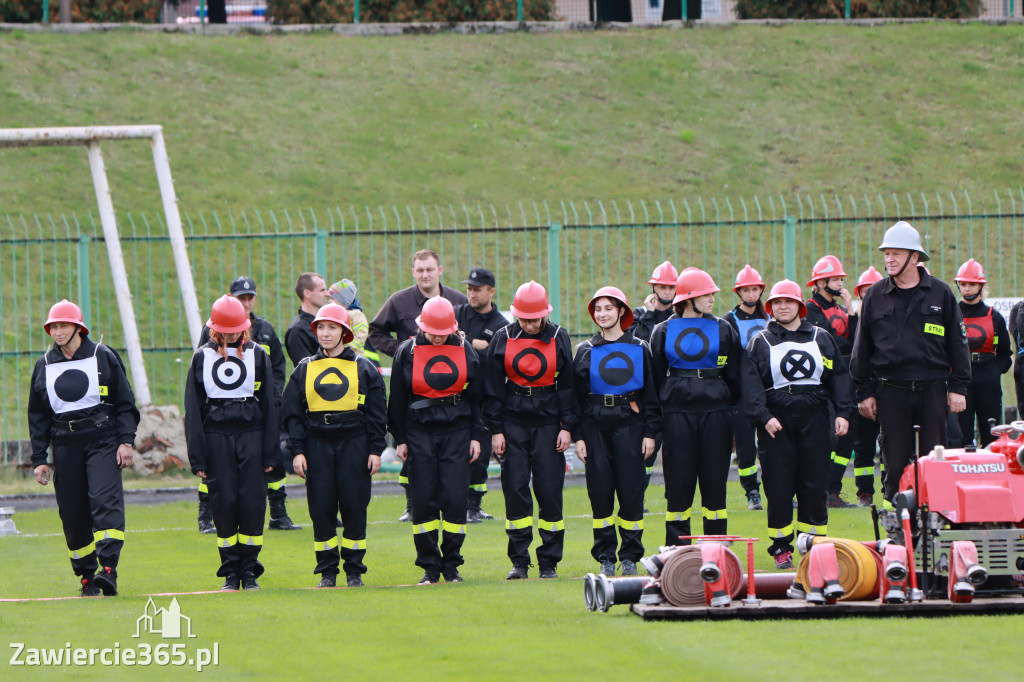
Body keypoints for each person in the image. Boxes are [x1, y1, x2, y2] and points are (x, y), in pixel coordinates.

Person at [850, 221, 971, 502]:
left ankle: (935, 527)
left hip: (932, 390)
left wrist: (959, 387)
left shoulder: (941, 293)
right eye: (886, 254)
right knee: (894, 464)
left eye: (895, 253)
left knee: (934, 462)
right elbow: (862, 349)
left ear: (914, 257)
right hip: (891, 392)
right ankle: (898, 528)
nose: (888, 259)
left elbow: (958, 342)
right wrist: (864, 392)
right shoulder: (875, 296)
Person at [28, 300, 140, 597]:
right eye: (53, 326)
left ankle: (108, 570)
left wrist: (126, 441)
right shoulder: (44, 365)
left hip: (102, 441)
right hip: (64, 446)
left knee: (105, 503)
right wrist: (40, 459)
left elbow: (125, 403)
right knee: (73, 514)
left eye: (64, 325)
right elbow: (37, 416)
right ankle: (86, 577)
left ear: (78, 328)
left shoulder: (103, 356)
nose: (58, 331)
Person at [743, 280, 853, 569]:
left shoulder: (821, 337)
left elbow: (839, 377)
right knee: (778, 486)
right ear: (771, 308)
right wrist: (764, 417)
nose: (782, 306)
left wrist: (843, 413)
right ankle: (781, 548)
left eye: (788, 301)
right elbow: (750, 386)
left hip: (815, 417)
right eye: (777, 302)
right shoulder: (760, 341)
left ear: (799, 306)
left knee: (815, 484)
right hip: (776, 422)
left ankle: (813, 544)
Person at [282, 304, 387, 589]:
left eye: (332, 328)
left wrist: (376, 449)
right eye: (321, 328)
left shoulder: (364, 368)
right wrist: (298, 451)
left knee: (354, 508)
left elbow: (378, 413)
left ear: (345, 332)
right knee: (321, 509)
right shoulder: (304, 369)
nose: (325, 334)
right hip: (317, 445)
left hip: (355, 444)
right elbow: (292, 414)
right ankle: (327, 572)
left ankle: (354, 571)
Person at [185, 295, 280, 591]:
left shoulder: (258, 355)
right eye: (225, 329)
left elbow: (269, 407)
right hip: (217, 438)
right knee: (223, 504)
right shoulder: (201, 357)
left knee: (252, 503)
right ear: (214, 329)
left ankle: (250, 569)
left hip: (251, 435)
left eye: (236, 328)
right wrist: (197, 457)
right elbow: (194, 407)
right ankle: (230, 571)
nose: (231, 334)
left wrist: (270, 452)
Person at [483, 281, 578, 580]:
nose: (530, 324)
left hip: (549, 424)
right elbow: (493, 388)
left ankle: (549, 561)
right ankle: (519, 561)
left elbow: (568, 386)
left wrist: (567, 427)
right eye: (524, 319)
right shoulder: (503, 337)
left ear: (545, 314)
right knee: (515, 491)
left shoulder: (559, 336)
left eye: (535, 319)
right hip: (513, 423)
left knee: (549, 492)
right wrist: (496, 430)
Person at [388, 297, 485, 584]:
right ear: (422, 327)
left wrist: (477, 435)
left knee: (456, 498)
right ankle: (430, 566)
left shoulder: (464, 349)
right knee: (424, 499)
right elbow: (397, 399)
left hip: (457, 431)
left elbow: (477, 397)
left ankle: (452, 564)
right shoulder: (407, 351)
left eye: (445, 332)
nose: (440, 337)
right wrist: (400, 438)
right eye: (434, 332)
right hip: (419, 432)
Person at [368, 249, 468, 522]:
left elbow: (466, 340)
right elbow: (375, 330)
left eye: (430, 269)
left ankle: (462, 508)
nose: (425, 274)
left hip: (451, 391)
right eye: (420, 270)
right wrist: (401, 351)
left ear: (440, 270)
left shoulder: (458, 301)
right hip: (416, 391)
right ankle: (412, 505)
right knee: (414, 456)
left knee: (450, 468)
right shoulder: (398, 302)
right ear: (413, 272)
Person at [649, 268, 747, 547]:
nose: (713, 299)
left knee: (715, 481)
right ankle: (676, 549)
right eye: (707, 294)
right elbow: (655, 377)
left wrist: (725, 401)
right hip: (676, 414)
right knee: (678, 483)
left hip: (716, 414)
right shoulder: (663, 330)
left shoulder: (724, 328)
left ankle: (717, 546)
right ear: (689, 298)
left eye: (713, 294)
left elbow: (736, 374)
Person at [196, 276, 297, 534]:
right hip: (222, 412)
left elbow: (277, 365)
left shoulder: (264, 329)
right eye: (241, 298)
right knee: (217, 468)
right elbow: (204, 366)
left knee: (268, 459)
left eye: (250, 297)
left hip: (256, 407)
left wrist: (272, 394)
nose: (247, 302)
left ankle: (278, 512)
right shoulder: (213, 331)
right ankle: (206, 515)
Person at [572, 287, 660, 577]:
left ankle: (630, 555)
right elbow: (576, 399)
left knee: (632, 494)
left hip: (630, 428)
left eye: (609, 308)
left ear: (621, 311)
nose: (603, 314)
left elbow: (651, 396)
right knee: (600, 495)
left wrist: (650, 433)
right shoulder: (586, 349)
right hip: (595, 429)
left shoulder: (640, 347)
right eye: (598, 309)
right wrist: (579, 437)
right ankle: (605, 556)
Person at [454, 267, 508, 523]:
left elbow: (495, 359)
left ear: (491, 291)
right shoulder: (456, 314)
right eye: (469, 288)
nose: (471, 293)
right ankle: (455, 503)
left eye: (476, 289)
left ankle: (474, 506)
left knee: (480, 455)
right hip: (457, 396)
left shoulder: (501, 325)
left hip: (485, 399)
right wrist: (474, 343)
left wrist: (466, 341)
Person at [802, 255, 857, 509]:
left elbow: (857, 340)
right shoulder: (810, 309)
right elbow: (831, 342)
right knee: (828, 437)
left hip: (845, 375)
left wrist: (852, 310)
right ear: (821, 282)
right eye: (835, 279)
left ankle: (832, 490)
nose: (840, 282)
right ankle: (816, 490)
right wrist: (847, 343)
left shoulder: (842, 308)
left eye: (840, 278)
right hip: (825, 380)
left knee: (846, 437)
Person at [721, 264, 769, 511]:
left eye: (755, 289)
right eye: (746, 290)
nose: (751, 294)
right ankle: (752, 493)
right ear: (738, 292)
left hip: (768, 393)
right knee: (746, 448)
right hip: (740, 396)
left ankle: (777, 489)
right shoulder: (729, 320)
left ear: (761, 290)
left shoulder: (770, 317)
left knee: (772, 446)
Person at [953, 258, 1011, 447]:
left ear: (980, 286)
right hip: (961, 382)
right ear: (958, 285)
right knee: (962, 437)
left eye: (972, 284)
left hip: (989, 382)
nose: (967, 288)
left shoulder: (995, 316)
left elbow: (1005, 353)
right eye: (963, 284)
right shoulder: (951, 315)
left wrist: (996, 370)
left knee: (991, 436)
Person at [850, 266, 884, 506]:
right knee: (863, 444)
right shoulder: (855, 320)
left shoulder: (888, 318)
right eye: (865, 290)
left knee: (890, 443)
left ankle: (890, 489)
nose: (869, 294)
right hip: (862, 388)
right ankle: (865, 493)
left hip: (887, 388)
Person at [328, 278, 382, 367]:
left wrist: (347, 348)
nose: (329, 301)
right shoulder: (335, 316)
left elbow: (361, 334)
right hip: (339, 358)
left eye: (332, 298)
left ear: (343, 300)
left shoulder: (356, 314)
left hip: (354, 358)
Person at [285, 272, 330, 366]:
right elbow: (306, 370)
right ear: (307, 293)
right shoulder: (298, 331)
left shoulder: (326, 323)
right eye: (322, 290)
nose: (327, 294)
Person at [630, 261, 678, 343]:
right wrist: (649, 313)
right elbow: (638, 342)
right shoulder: (640, 313)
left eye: (671, 287)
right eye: (662, 287)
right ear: (653, 287)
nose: (667, 292)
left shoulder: (680, 315)